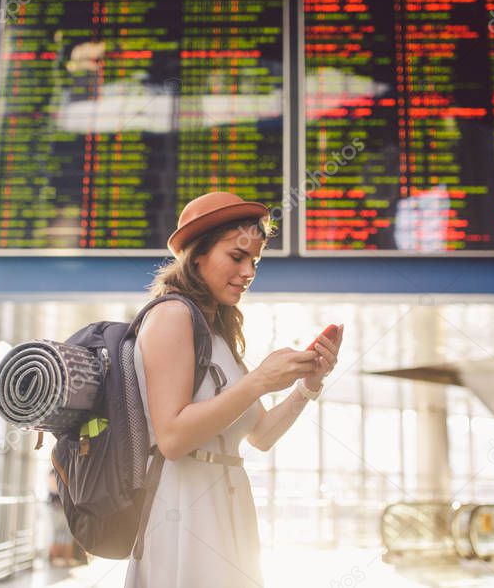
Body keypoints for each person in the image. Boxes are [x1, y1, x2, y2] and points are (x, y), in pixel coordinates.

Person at [124, 191, 344, 588]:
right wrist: (259, 379)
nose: (248, 273)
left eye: (255, 262)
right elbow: (172, 438)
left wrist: (308, 386)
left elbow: (260, 435)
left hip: (228, 505)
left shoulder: (219, 334)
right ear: (198, 255)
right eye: (237, 257)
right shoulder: (172, 316)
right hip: (184, 509)